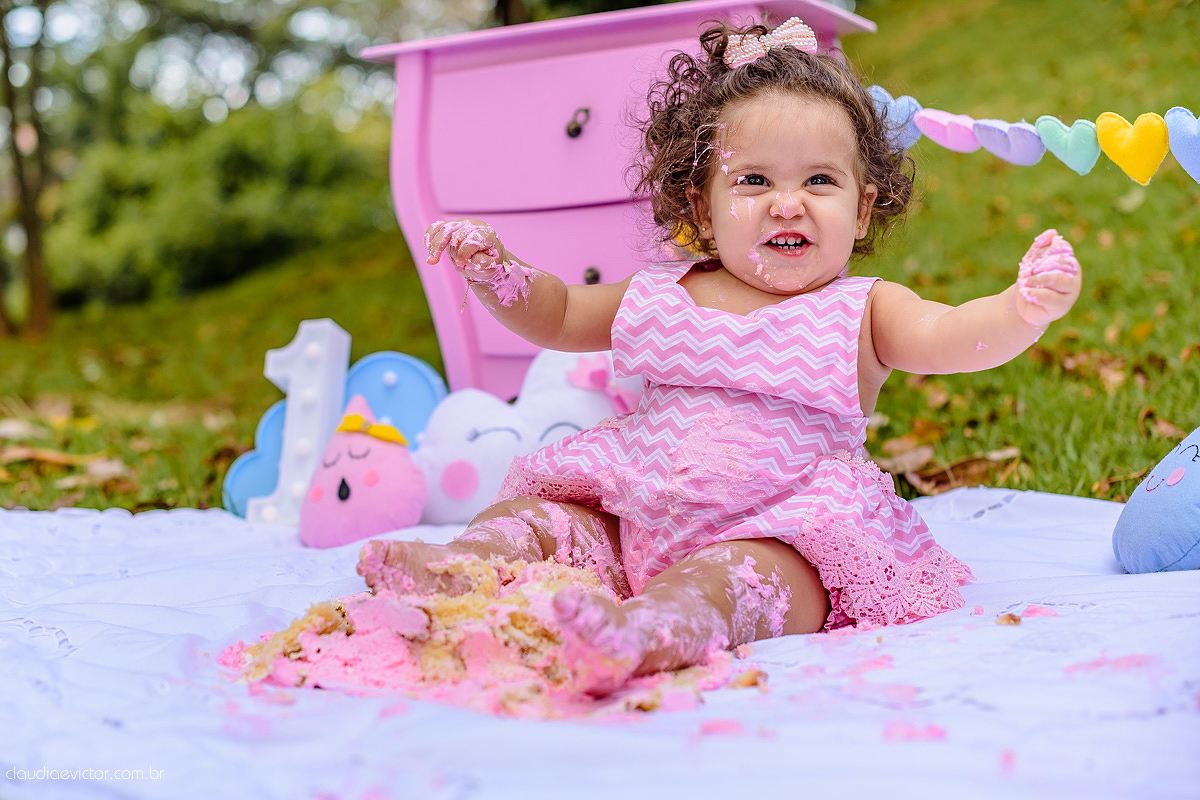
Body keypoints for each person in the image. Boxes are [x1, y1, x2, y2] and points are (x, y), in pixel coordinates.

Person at [357, 17, 1082, 694]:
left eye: (819, 180)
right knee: (538, 519)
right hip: (636, 512)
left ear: (862, 209)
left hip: (783, 532)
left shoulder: (863, 309)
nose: (788, 203)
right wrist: (499, 273)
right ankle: (465, 566)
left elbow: (952, 334)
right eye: (754, 180)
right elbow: (560, 314)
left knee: (731, 584)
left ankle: (645, 631)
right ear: (703, 208)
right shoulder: (661, 291)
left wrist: (1020, 309)